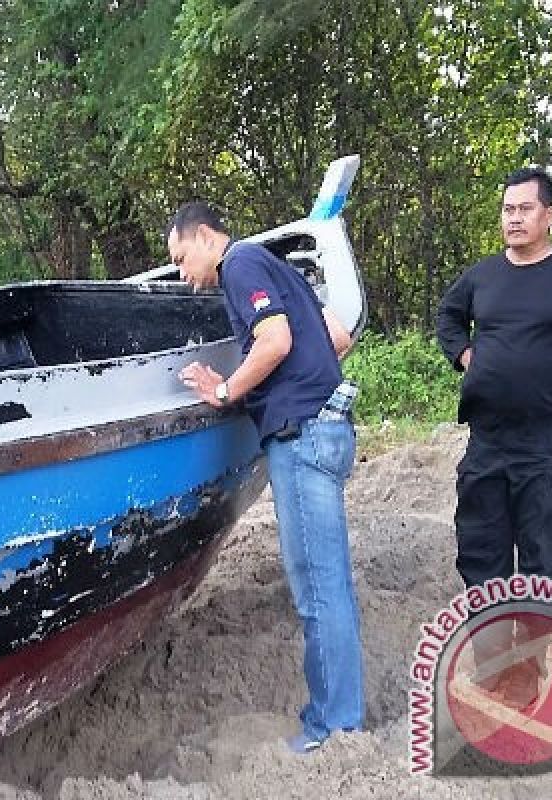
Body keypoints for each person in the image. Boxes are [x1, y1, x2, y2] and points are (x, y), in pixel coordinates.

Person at [170, 202, 362, 754]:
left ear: (206, 237)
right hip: (328, 428)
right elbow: (336, 336)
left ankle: (333, 729)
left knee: (319, 593)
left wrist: (227, 390)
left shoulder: (240, 266)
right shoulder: (277, 266)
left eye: (182, 259)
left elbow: (274, 341)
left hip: (301, 438)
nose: (183, 276)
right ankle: (338, 716)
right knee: (331, 586)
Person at [435, 167, 552, 707]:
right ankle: (494, 662)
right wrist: (464, 354)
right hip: (487, 444)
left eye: (524, 209)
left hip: (548, 448)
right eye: (507, 209)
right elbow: (448, 319)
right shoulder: (482, 277)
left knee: (541, 562)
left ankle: (527, 673)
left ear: (549, 216)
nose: (513, 218)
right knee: (482, 555)